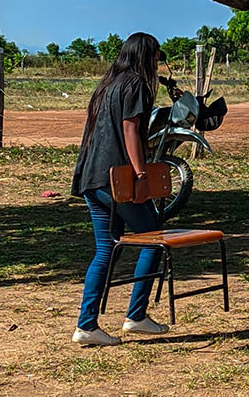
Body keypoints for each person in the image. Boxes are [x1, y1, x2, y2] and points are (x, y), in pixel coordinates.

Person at [70, 32, 169, 346]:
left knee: (106, 251)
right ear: (145, 57)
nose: (157, 63)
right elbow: (130, 129)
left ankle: (87, 325)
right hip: (114, 179)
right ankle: (136, 315)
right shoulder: (136, 84)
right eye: (156, 57)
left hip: (91, 178)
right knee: (153, 237)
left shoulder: (108, 85)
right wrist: (141, 174)